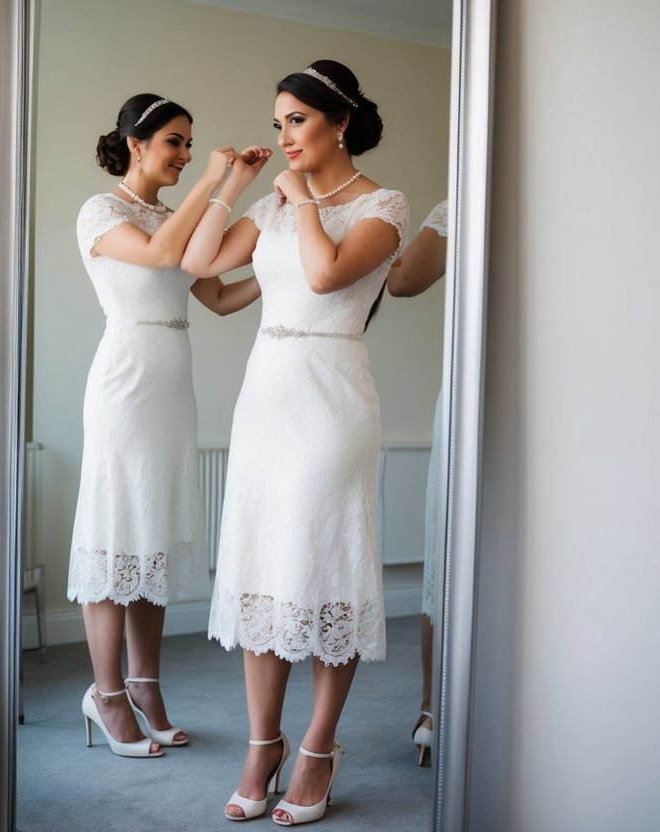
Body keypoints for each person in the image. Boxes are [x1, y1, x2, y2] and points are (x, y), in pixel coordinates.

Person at [182, 60, 409, 823]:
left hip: (331, 398)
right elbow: (200, 265)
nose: (283, 137)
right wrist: (233, 187)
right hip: (265, 401)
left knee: (325, 570)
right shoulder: (274, 202)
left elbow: (322, 277)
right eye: (276, 122)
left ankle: (316, 748)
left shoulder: (383, 205)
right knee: (263, 573)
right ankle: (260, 745)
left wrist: (301, 194)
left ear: (339, 122)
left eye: (297, 121)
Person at [70, 93, 260, 758]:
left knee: (149, 545)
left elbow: (217, 294)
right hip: (124, 386)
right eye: (174, 143)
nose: (183, 155)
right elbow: (156, 256)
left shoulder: (166, 217)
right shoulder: (103, 211)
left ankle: (145, 684)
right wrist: (214, 181)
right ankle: (107, 694)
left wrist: (278, 268)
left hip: (173, 390)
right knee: (114, 541)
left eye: (188, 145)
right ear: (136, 143)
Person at [387, 199, 449, 766]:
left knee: (446, 544)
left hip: (474, 384)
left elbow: (403, 280)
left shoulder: (464, 205)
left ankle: (433, 708)